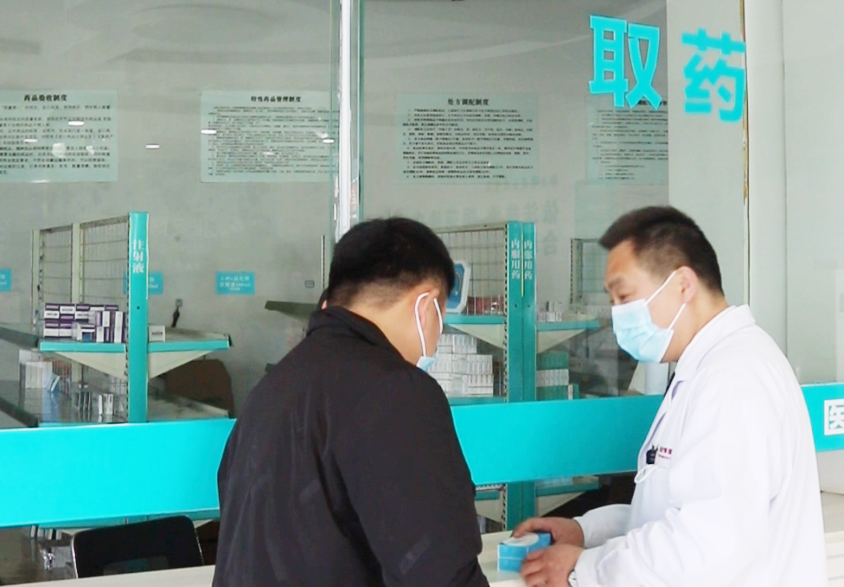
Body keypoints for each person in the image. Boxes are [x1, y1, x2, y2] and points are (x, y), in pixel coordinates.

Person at [515, 207, 827, 587]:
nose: (617, 315)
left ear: (682, 284)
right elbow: (669, 515)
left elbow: (705, 546)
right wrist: (585, 531)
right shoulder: (707, 369)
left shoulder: (734, 379)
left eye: (625, 297)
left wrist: (585, 568)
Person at [213, 218, 489, 587]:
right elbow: (439, 570)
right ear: (425, 306)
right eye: (441, 317)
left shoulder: (274, 387)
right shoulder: (395, 391)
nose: (437, 337)